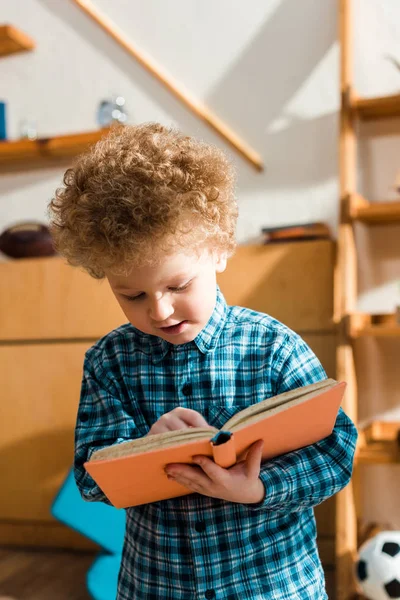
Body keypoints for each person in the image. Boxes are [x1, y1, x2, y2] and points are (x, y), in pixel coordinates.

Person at [48, 123, 357, 600]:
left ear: (219, 250)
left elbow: (336, 452)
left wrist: (257, 489)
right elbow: (90, 480)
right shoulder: (110, 362)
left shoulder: (272, 347)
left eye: (178, 286)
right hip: (156, 585)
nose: (159, 310)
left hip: (273, 586)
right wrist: (140, 451)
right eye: (131, 295)